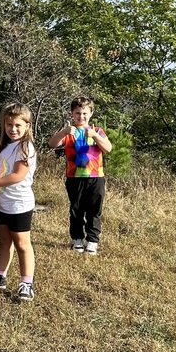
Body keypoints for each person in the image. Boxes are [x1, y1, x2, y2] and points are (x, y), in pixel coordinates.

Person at [0, 102, 38, 303]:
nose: (13, 129)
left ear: (27, 126)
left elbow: (18, 176)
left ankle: (26, 283)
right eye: (9, 125)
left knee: (22, 244)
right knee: (4, 241)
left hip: (18, 205)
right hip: (1, 203)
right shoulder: (6, 146)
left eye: (18, 125)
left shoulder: (25, 147)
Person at [47, 96, 112, 255]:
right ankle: (77, 239)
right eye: (77, 113)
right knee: (76, 210)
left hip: (96, 177)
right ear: (72, 114)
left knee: (94, 210)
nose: (81, 117)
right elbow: (52, 144)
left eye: (84, 113)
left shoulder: (97, 131)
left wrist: (95, 136)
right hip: (74, 178)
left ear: (91, 113)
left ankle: (92, 241)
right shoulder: (69, 132)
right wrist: (64, 131)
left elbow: (108, 148)